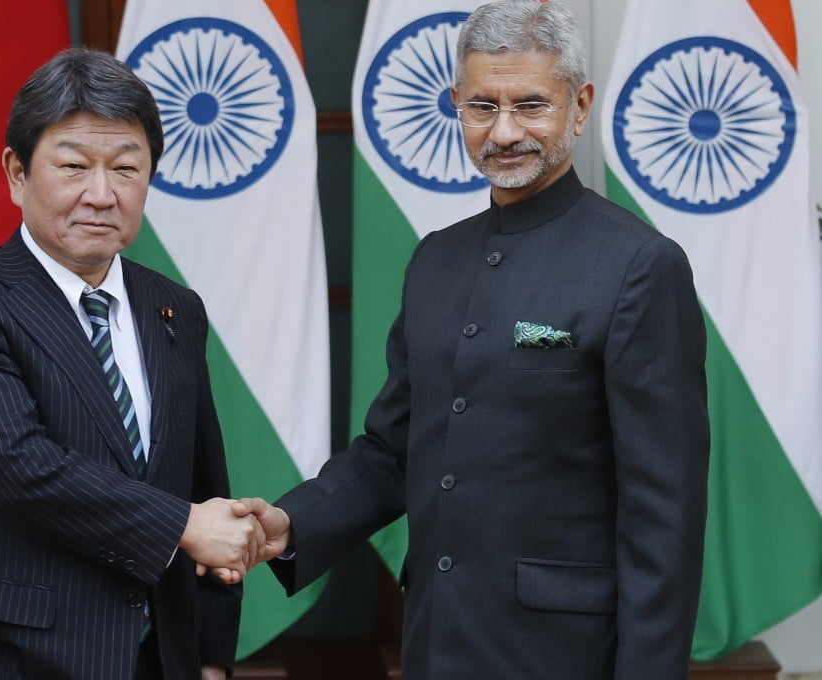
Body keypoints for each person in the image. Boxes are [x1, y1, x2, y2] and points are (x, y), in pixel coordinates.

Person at [236, 1, 710, 677]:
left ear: (579, 107)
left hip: (566, 658)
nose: (505, 131)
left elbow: (664, 517)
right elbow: (392, 452)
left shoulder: (640, 266)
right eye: (483, 106)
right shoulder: (435, 260)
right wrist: (291, 526)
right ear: (456, 104)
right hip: (435, 645)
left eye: (531, 106)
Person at [0, 47, 261, 680]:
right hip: (14, 660)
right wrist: (183, 525)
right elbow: (26, 474)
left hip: (161, 658)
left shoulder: (174, 307)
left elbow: (205, 481)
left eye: (126, 168)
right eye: (73, 166)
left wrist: (209, 656)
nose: (101, 194)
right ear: (17, 173)